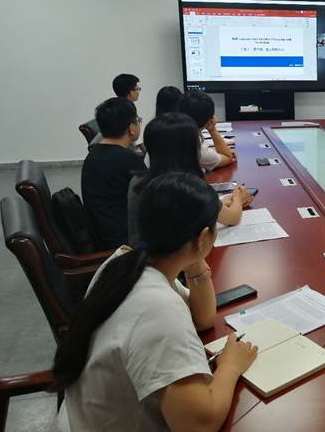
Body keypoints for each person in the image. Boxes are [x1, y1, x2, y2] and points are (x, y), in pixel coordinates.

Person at [53, 173, 258, 431]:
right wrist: (230, 365)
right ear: (204, 237)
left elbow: (203, 319)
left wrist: (195, 259)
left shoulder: (126, 262)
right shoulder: (159, 309)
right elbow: (198, 425)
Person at [128, 113, 253, 244]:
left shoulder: (137, 181)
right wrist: (238, 199)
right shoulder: (190, 187)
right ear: (191, 150)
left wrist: (219, 202)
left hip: (141, 254)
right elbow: (232, 217)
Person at [81, 98, 146, 248]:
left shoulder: (93, 154)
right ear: (131, 128)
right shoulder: (128, 160)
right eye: (138, 120)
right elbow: (152, 200)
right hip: (125, 240)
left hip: (104, 232)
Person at [178, 90, 236, 171]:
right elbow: (228, 157)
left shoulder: (167, 129)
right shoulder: (197, 151)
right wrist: (212, 129)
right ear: (209, 120)